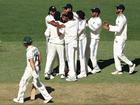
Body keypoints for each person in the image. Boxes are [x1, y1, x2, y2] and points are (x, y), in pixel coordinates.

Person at [13, 36, 52, 103]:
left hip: (30, 69)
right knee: (37, 83)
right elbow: (39, 55)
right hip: (36, 67)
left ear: (25, 43)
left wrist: (33, 71)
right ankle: (48, 97)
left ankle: (20, 99)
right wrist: (38, 64)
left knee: (23, 83)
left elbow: (31, 62)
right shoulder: (35, 48)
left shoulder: (29, 52)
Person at [103, 4, 135, 74]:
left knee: (119, 54)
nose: (116, 10)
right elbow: (117, 26)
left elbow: (119, 29)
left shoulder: (122, 18)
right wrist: (109, 26)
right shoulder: (118, 17)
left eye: (117, 9)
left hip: (121, 38)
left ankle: (131, 64)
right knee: (115, 54)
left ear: (121, 10)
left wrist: (109, 28)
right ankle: (119, 70)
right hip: (117, 37)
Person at [44, 11, 65, 80]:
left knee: (50, 58)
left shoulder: (50, 25)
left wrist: (51, 36)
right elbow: (62, 34)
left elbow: (46, 34)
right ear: (60, 17)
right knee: (61, 59)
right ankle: (62, 74)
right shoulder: (62, 24)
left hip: (52, 44)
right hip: (60, 44)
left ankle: (47, 73)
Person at [59, 11, 78, 81]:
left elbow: (60, 29)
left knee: (70, 60)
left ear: (67, 17)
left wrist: (59, 20)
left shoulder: (66, 25)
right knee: (72, 59)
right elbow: (76, 17)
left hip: (69, 43)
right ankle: (73, 74)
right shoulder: (76, 22)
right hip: (75, 43)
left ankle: (72, 76)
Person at [87, 7, 102, 74]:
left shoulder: (99, 20)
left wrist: (88, 23)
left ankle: (96, 68)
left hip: (95, 39)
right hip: (90, 38)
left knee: (92, 54)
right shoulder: (91, 19)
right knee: (91, 54)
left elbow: (94, 29)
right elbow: (88, 25)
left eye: (93, 12)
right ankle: (94, 67)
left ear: (96, 13)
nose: (91, 13)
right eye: (92, 11)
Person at [76, 10, 87, 78]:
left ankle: (83, 73)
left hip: (82, 40)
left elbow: (80, 31)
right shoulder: (78, 21)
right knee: (81, 56)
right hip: (79, 40)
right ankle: (87, 69)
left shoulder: (83, 22)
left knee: (82, 56)